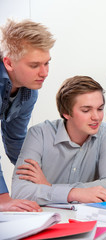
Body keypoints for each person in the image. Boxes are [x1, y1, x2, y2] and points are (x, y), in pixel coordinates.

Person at [11, 76, 106, 205]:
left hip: (86, 218)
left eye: (100, 108)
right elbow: (19, 191)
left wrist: (48, 186)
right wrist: (74, 193)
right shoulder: (39, 134)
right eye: (86, 110)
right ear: (66, 112)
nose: (96, 117)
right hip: (44, 217)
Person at [0, 19, 55, 211]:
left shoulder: (29, 92)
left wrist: (41, 179)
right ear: (9, 62)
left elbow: (15, 141)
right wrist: (3, 199)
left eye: (47, 63)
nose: (44, 72)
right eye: (34, 65)